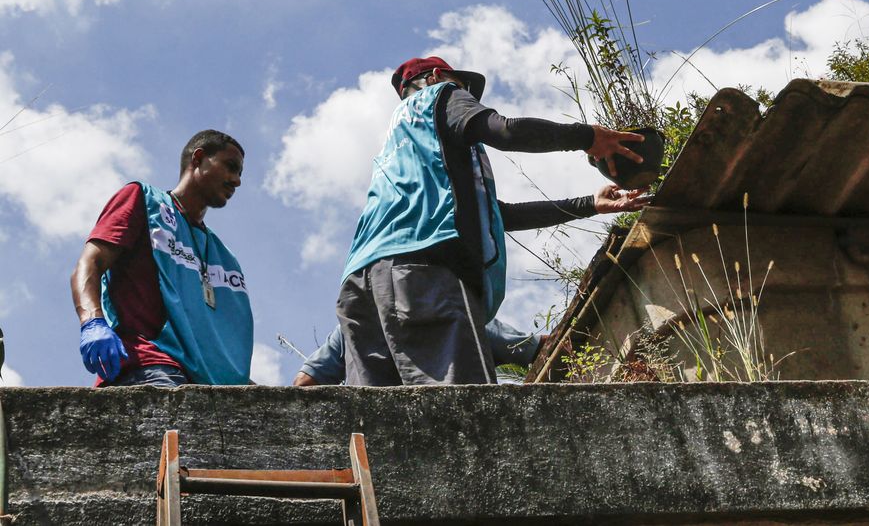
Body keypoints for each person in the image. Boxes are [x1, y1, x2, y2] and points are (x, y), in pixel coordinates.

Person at [338, 55, 649, 386]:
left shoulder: (399, 146)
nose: (466, 97)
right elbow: (506, 131)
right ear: (434, 77)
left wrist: (589, 204)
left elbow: (497, 215)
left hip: (358, 289)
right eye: (461, 86)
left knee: (377, 426)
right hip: (420, 275)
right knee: (465, 412)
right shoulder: (439, 95)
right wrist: (588, 138)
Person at [70, 130, 252, 387]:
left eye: (240, 173)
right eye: (231, 167)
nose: (237, 181)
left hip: (205, 382)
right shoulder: (143, 200)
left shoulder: (224, 256)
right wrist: (93, 322)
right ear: (198, 158)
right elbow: (90, 263)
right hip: (149, 365)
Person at [293, 319, 544, 386]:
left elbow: (306, 382)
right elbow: (531, 349)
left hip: (374, 447)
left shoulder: (352, 326)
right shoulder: (454, 304)